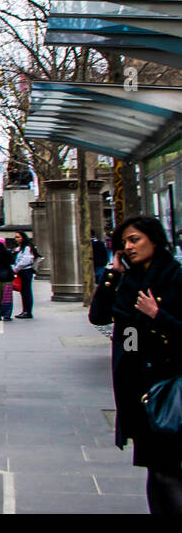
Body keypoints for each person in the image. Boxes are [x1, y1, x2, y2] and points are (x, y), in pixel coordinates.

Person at [89, 215, 182, 514]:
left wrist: (158, 315)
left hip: (168, 389)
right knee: (155, 471)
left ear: (154, 239)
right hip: (138, 390)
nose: (128, 247)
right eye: (124, 243)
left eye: (135, 239)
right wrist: (111, 274)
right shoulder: (129, 281)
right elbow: (100, 316)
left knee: (167, 471)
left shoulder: (175, 276)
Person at [12, 231, 37, 319]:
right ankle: (25, 310)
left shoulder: (27, 248)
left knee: (26, 292)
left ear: (23, 238)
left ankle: (27, 311)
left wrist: (16, 268)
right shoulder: (21, 248)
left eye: (18, 237)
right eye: (15, 237)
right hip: (22, 271)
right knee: (24, 292)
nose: (16, 239)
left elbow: (25, 260)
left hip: (26, 271)